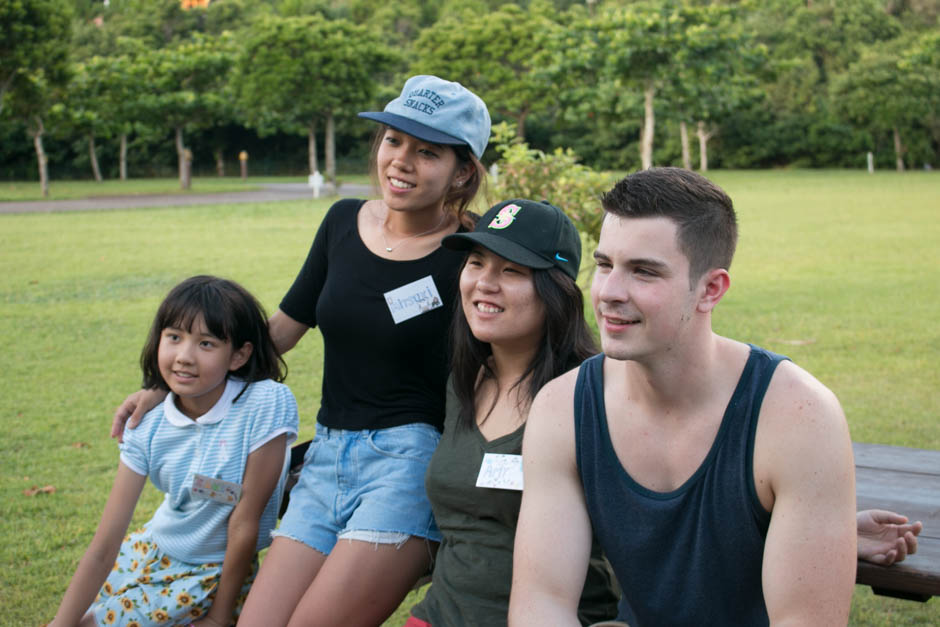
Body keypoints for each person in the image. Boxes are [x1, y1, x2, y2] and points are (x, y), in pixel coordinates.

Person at [109, 75, 492, 626]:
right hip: (324, 460)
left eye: (427, 152)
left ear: (462, 171)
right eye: (393, 141)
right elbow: (276, 336)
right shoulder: (342, 223)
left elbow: (508, 361)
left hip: (408, 464)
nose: (401, 162)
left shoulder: (469, 255)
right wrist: (166, 386)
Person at [509, 168, 859, 626]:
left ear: (710, 289)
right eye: (605, 264)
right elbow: (542, 604)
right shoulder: (562, 409)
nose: (609, 292)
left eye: (644, 271)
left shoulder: (799, 417)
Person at [406, 199, 620, 627]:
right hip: (438, 615)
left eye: (511, 271)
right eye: (476, 263)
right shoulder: (464, 383)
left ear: (556, 290)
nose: (484, 284)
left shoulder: (594, 398)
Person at [52, 275, 298, 627]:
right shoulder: (146, 424)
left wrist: (219, 617)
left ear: (239, 354)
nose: (184, 357)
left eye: (206, 344)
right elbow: (106, 542)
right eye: (174, 337)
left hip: (210, 572)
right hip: (151, 549)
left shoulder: (264, 403)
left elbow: (246, 522)